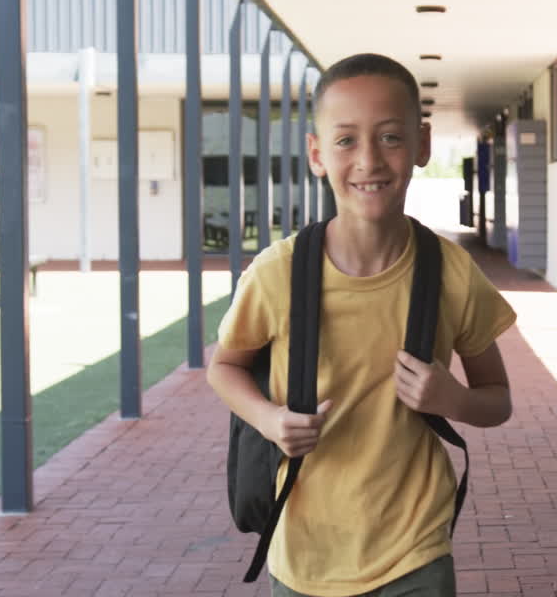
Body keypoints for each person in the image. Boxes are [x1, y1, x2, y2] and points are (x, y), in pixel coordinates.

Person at [208, 53, 517, 597]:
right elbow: (224, 367)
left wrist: (453, 399)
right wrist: (270, 419)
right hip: (304, 556)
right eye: (346, 140)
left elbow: (497, 400)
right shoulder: (278, 273)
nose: (369, 160)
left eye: (391, 137)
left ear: (422, 144)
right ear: (317, 154)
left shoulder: (451, 272)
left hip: (415, 551)